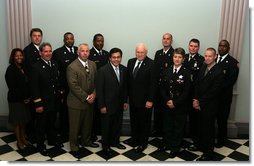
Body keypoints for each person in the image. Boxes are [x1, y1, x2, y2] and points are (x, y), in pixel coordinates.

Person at [30, 43, 63, 156]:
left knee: (51, 122)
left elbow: (55, 81)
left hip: (53, 100)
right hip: (42, 102)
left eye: (50, 51)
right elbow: (34, 88)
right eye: (46, 51)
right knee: (41, 125)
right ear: (40, 53)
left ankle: (52, 140)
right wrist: (38, 104)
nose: (48, 53)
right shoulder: (36, 67)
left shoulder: (54, 63)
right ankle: (40, 145)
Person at [66, 43, 99, 159]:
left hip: (90, 100)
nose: (85, 53)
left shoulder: (93, 64)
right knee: (75, 127)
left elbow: (96, 82)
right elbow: (73, 86)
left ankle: (86, 141)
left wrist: (94, 94)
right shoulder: (72, 67)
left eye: (87, 51)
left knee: (87, 123)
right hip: (76, 102)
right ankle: (74, 147)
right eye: (82, 51)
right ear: (78, 52)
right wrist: (87, 97)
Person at [159, 48, 191, 158]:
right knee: (167, 125)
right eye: (175, 57)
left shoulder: (186, 73)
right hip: (167, 104)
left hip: (180, 105)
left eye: (179, 57)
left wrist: (175, 102)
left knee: (178, 127)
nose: (177, 59)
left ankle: (175, 147)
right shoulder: (166, 71)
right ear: (172, 57)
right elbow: (162, 88)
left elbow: (187, 91)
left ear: (183, 59)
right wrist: (167, 100)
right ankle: (167, 144)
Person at [193, 48, 224, 161]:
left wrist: (200, 102)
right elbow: (197, 84)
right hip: (199, 104)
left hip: (209, 106)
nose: (207, 58)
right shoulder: (203, 67)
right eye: (206, 56)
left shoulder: (219, 71)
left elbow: (214, 91)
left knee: (208, 130)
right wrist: (196, 99)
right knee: (200, 127)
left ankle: (208, 153)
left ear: (215, 56)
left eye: (210, 56)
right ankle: (201, 146)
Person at [96, 47, 128, 156]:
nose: (116, 59)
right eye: (114, 57)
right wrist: (102, 106)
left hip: (119, 104)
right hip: (107, 105)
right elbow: (99, 90)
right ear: (110, 58)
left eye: (118, 57)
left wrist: (125, 101)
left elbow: (124, 88)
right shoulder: (102, 70)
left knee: (117, 125)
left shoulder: (124, 69)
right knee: (106, 126)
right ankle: (105, 145)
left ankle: (115, 142)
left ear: (121, 58)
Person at [126, 43, 156, 152]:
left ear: (146, 52)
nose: (139, 54)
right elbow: (128, 82)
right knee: (134, 121)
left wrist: (150, 100)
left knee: (144, 123)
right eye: (138, 52)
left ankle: (143, 144)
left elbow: (153, 84)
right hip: (133, 100)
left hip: (145, 101)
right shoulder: (130, 62)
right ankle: (135, 139)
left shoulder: (152, 64)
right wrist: (126, 99)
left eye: (142, 52)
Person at [52, 32, 78, 140]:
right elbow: (55, 72)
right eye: (67, 39)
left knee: (76, 111)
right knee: (64, 112)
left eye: (71, 39)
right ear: (64, 40)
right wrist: (59, 88)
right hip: (64, 88)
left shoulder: (78, 50)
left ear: (74, 40)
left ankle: (75, 133)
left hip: (77, 88)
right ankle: (64, 134)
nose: (69, 41)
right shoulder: (57, 53)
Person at [5, 48, 31, 150]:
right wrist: (23, 99)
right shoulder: (11, 69)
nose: (19, 57)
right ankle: (19, 141)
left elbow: (27, 84)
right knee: (17, 122)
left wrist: (28, 97)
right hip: (16, 100)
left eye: (21, 55)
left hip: (25, 99)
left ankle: (23, 138)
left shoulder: (23, 67)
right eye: (17, 56)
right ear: (13, 57)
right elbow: (13, 88)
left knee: (23, 120)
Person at [215, 40, 239, 148]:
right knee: (209, 120)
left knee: (222, 121)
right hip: (212, 98)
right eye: (220, 46)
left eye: (224, 46)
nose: (221, 48)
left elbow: (230, 82)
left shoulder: (233, 63)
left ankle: (221, 141)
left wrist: (213, 87)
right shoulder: (213, 59)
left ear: (228, 48)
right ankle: (210, 138)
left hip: (223, 99)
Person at [183, 39, 204, 151]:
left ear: (198, 48)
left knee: (194, 120)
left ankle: (195, 141)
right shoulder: (183, 57)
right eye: (191, 46)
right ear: (188, 46)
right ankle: (180, 139)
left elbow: (199, 80)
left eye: (195, 46)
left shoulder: (201, 60)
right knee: (181, 117)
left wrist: (196, 97)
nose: (193, 48)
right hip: (182, 94)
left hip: (193, 94)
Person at [23, 28, 43, 143]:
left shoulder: (42, 49)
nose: (37, 38)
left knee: (40, 115)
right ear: (31, 37)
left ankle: (38, 135)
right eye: (34, 36)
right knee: (33, 114)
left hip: (42, 88)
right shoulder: (28, 50)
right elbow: (29, 71)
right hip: (33, 88)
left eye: (39, 36)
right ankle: (31, 137)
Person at [88, 33, 109, 142]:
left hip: (105, 89)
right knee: (93, 113)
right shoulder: (89, 54)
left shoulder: (106, 54)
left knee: (103, 111)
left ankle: (102, 132)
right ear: (94, 42)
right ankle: (92, 134)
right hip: (93, 89)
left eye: (102, 41)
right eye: (98, 41)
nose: (100, 43)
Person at [153, 33, 174, 137]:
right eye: (164, 39)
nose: (166, 41)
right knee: (157, 110)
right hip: (158, 86)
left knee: (166, 111)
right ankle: (157, 130)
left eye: (168, 39)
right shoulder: (158, 53)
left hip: (167, 88)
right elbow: (156, 70)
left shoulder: (174, 53)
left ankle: (165, 132)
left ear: (171, 41)